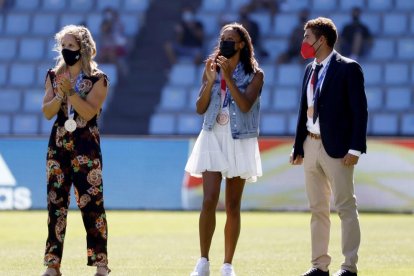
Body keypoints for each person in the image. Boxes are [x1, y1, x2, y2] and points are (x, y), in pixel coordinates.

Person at [290, 17, 368, 276]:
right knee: (317, 209)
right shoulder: (309, 69)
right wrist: (298, 146)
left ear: (321, 40)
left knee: (345, 206)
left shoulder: (349, 68)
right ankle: (319, 266)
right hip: (310, 145)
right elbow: (303, 109)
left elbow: (360, 112)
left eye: (307, 37)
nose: (304, 42)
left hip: (339, 149)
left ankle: (349, 267)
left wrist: (355, 148)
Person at [185, 23, 264, 276]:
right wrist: (209, 82)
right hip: (212, 136)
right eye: (222, 39)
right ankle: (203, 261)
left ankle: (228, 264)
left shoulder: (256, 75)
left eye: (231, 39)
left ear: (242, 44)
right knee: (208, 200)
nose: (225, 43)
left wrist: (227, 77)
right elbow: (200, 107)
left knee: (232, 204)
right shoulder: (211, 69)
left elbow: (244, 105)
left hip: (239, 139)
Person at [41, 25, 110, 276]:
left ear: (83, 48)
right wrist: (60, 95)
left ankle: (101, 264)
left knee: (92, 205)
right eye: (64, 46)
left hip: (86, 147)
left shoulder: (98, 79)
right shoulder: (53, 76)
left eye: (71, 46)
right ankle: (52, 265)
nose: (66, 50)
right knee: (55, 205)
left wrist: (70, 91)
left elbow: (89, 112)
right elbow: (47, 112)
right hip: (58, 146)